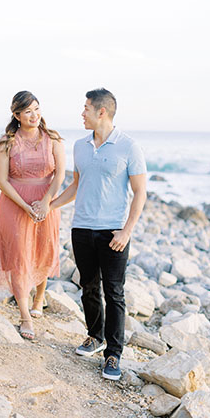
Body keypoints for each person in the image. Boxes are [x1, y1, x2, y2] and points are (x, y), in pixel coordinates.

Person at [49, 88, 146, 380]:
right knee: (88, 287)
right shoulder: (79, 146)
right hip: (81, 228)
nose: (82, 113)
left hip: (113, 231)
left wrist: (126, 231)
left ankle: (113, 355)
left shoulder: (129, 146)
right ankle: (95, 336)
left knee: (114, 293)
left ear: (101, 112)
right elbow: (76, 185)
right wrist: (49, 207)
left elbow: (140, 192)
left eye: (86, 108)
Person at [0, 91, 65, 340]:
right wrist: (24, 206)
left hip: (46, 202)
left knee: (43, 250)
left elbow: (60, 176)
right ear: (17, 115)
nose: (34, 115)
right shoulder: (6, 143)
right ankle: (24, 316)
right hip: (15, 203)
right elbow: (1, 181)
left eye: (37, 109)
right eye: (27, 111)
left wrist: (46, 203)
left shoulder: (53, 139)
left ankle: (39, 297)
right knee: (19, 255)